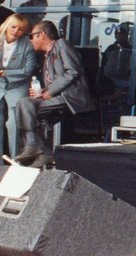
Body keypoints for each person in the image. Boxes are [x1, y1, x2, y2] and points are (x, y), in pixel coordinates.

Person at [13, 21, 95, 168]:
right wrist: (42, 92)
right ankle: (37, 148)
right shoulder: (45, 56)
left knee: (28, 110)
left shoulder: (61, 44)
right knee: (24, 104)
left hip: (70, 97)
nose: (31, 41)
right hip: (56, 97)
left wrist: (49, 91)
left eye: (32, 36)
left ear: (42, 35)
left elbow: (73, 71)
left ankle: (40, 149)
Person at [0, 14, 34, 169]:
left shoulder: (27, 44)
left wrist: (3, 73)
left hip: (17, 84)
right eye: (13, 27)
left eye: (21, 29)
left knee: (14, 125)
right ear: (6, 24)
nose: (16, 31)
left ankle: (16, 165)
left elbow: (28, 69)